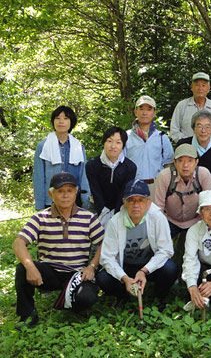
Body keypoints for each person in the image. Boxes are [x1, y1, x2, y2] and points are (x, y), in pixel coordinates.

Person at [13, 172, 104, 327]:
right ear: (51, 194)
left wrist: (92, 266)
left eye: (69, 191)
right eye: (60, 191)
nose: (65, 195)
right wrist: (30, 266)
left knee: (87, 298)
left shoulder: (88, 218)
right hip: (50, 273)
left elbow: (104, 243)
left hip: (77, 274)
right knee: (22, 268)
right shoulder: (40, 217)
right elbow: (18, 243)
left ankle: (68, 302)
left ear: (75, 192)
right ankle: (27, 316)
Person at [97, 179, 178, 304]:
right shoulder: (115, 221)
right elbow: (107, 258)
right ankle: (122, 296)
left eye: (140, 200)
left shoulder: (158, 218)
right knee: (103, 278)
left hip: (149, 266)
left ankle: (160, 296)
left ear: (149, 202)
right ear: (124, 201)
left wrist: (144, 271)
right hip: (126, 267)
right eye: (131, 200)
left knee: (170, 268)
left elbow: (166, 250)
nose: (136, 205)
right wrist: (124, 278)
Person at [33, 105, 90, 210]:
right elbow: (38, 178)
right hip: (50, 201)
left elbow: (83, 176)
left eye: (65, 118)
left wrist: (85, 200)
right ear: (53, 122)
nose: (61, 121)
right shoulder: (43, 146)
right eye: (57, 118)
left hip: (74, 200)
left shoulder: (78, 146)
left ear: (71, 122)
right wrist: (39, 206)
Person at [152, 144, 211, 238]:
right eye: (181, 161)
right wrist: (159, 229)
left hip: (197, 220)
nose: (185, 165)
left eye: (190, 161)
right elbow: (157, 208)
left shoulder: (203, 174)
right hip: (169, 220)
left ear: (196, 162)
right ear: (174, 162)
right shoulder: (164, 176)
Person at [85, 127, 137, 225]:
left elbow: (124, 193)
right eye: (109, 141)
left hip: (121, 212)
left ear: (123, 145)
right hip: (97, 211)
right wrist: (103, 213)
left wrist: (116, 214)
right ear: (103, 142)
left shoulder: (130, 167)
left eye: (118, 142)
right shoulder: (92, 165)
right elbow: (95, 191)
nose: (113, 146)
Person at [125, 95, 174, 187]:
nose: (145, 113)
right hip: (132, 186)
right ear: (135, 112)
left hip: (156, 185)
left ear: (154, 113)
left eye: (149, 109)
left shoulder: (162, 137)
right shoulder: (126, 137)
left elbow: (169, 163)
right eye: (141, 109)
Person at [177, 111, 211, 190]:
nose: (203, 131)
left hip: (209, 191)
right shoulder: (183, 145)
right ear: (193, 129)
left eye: (207, 126)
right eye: (199, 126)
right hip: (184, 191)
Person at [171, 72, 211, 142]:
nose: (200, 88)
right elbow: (174, 130)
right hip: (187, 148)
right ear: (191, 87)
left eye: (203, 85)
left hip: (209, 148)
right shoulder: (182, 105)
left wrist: (208, 141)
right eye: (197, 85)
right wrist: (188, 142)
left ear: (208, 88)